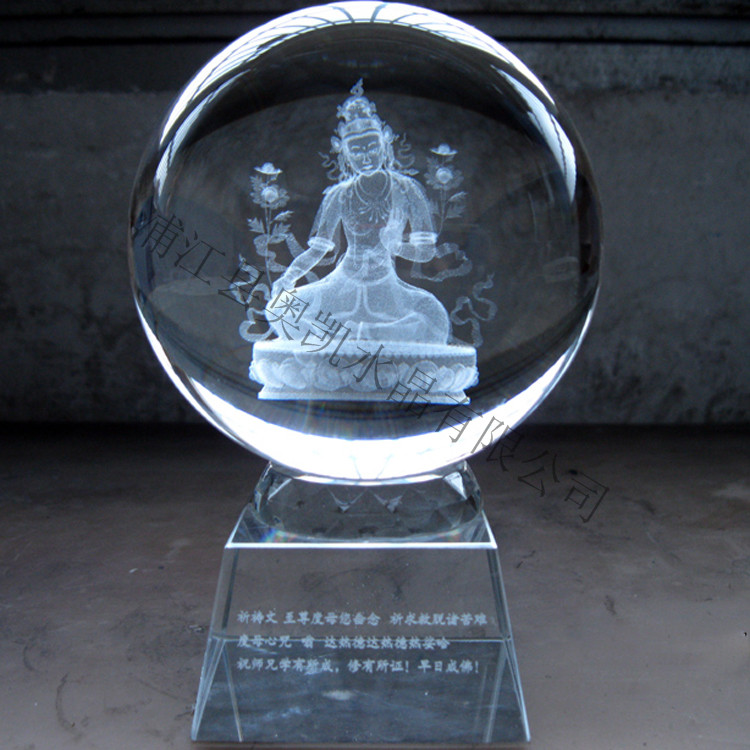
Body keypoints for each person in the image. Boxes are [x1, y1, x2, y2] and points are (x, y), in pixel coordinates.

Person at [267, 82, 451, 345]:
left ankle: (352, 337)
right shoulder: (339, 194)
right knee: (278, 309)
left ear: (385, 142)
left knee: (435, 317)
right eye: (356, 151)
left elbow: (426, 253)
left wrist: (395, 245)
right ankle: (363, 338)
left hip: (387, 287)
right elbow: (318, 251)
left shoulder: (407, 189)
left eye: (372, 147)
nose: (366, 157)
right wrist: (289, 276)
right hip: (342, 284)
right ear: (343, 152)